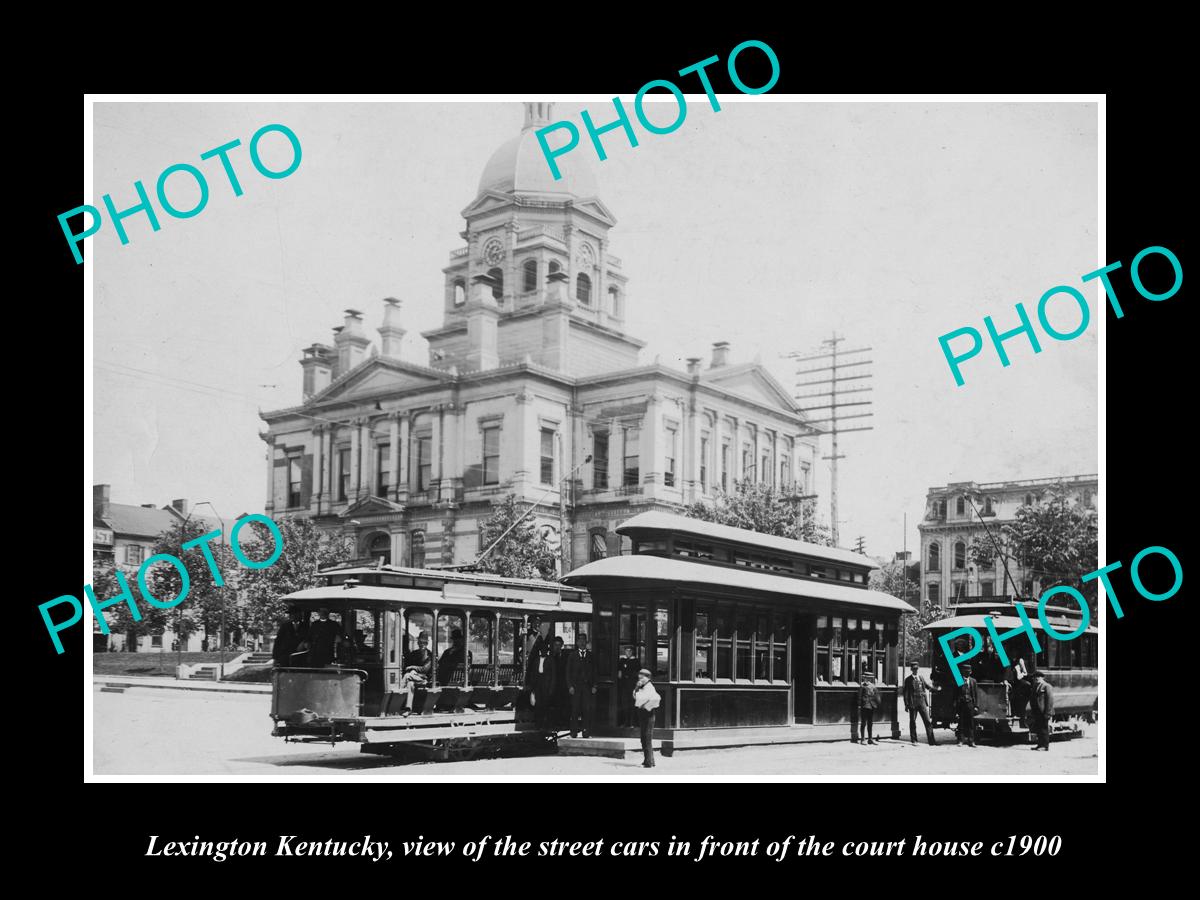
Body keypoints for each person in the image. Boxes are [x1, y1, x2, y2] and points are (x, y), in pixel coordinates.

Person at [565, 634, 597, 738]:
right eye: (580, 640)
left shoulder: (591, 656)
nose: (582, 643)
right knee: (575, 709)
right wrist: (570, 686)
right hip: (575, 688)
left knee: (586, 710)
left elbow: (595, 672)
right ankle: (573, 732)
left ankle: (586, 731)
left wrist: (594, 686)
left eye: (584, 640)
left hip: (587, 687)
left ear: (586, 642)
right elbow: (568, 672)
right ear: (577, 643)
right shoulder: (572, 656)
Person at [396, 632, 433, 717]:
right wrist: (412, 670)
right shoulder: (414, 653)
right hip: (414, 678)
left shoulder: (430, 655)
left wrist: (413, 669)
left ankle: (398, 694)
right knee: (410, 683)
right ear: (418, 642)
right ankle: (408, 709)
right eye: (420, 642)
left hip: (424, 678)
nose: (422, 644)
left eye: (424, 643)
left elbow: (425, 669)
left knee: (407, 676)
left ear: (427, 643)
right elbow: (408, 664)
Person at [903, 662, 939, 746]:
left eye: (916, 669)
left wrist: (935, 689)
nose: (915, 670)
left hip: (922, 702)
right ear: (911, 669)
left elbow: (927, 686)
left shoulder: (921, 677)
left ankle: (931, 741)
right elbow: (906, 693)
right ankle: (914, 740)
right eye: (914, 669)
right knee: (912, 721)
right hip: (913, 703)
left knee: (927, 721)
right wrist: (906, 704)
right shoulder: (908, 680)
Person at [632, 669, 660, 768]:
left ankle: (649, 762)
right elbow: (635, 696)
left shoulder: (649, 687)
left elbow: (656, 699)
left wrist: (646, 706)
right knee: (644, 738)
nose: (640, 679)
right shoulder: (642, 687)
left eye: (642, 677)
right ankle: (648, 760)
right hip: (643, 714)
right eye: (639, 677)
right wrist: (637, 687)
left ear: (648, 678)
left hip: (648, 715)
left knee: (646, 737)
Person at [530, 632, 557, 728]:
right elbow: (533, 674)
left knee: (545, 706)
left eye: (544, 650)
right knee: (538, 705)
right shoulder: (536, 660)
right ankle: (538, 723)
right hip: (538, 685)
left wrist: (551, 689)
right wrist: (532, 690)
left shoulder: (550, 660)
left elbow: (553, 676)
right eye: (541, 650)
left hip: (547, 685)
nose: (542, 652)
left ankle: (546, 724)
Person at [1027, 671, 1055, 751]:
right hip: (1037, 711)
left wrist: (1047, 712)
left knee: (1044, 729)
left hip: (1044, 712)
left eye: (1038, 677)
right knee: (1039, 729)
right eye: (1035, 677)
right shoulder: (1035, 686)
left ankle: (1045, 746)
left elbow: (1050, 701)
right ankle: (1039, 745)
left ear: (1042, 678)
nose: (1036, 679)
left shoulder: (1047, 686)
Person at [955, 663, 979, 747]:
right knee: (961, 723)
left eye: (969, 671)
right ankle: (960, 740)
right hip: (961, 704)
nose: (967, 673)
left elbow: (975, 695)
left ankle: (971, 741)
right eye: (965, 671)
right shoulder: (959, 681)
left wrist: (976, 706)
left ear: (971, 672)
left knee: (971, 723)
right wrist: (956, 704)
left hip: (970, 704)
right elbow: (955, 694)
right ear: (962, 672)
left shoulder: (973, 681)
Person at [617, 646, 639, 728]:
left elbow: (637, 673)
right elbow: (619, 673)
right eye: (627, 651)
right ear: (625, 652)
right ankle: (626, 722)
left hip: (633, 685)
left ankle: (632, 723)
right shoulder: (622, 660)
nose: (628, 652)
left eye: (630, 651)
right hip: (624, 686)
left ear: (632, 652)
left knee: (632, 704)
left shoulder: (636, 661)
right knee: (624, 704)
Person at [858, 672, 881, 744]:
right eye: (867, 678)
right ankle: (862, 739)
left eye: (869, 678)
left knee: (870, 723)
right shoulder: (862, 686)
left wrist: (877, 703)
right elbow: (859, 696)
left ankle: (870, 739)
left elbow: (877, 696)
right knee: (863, 723)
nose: (868, 680)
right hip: (865, 706)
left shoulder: (873, 686)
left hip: (871, 706)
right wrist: (859, 705)